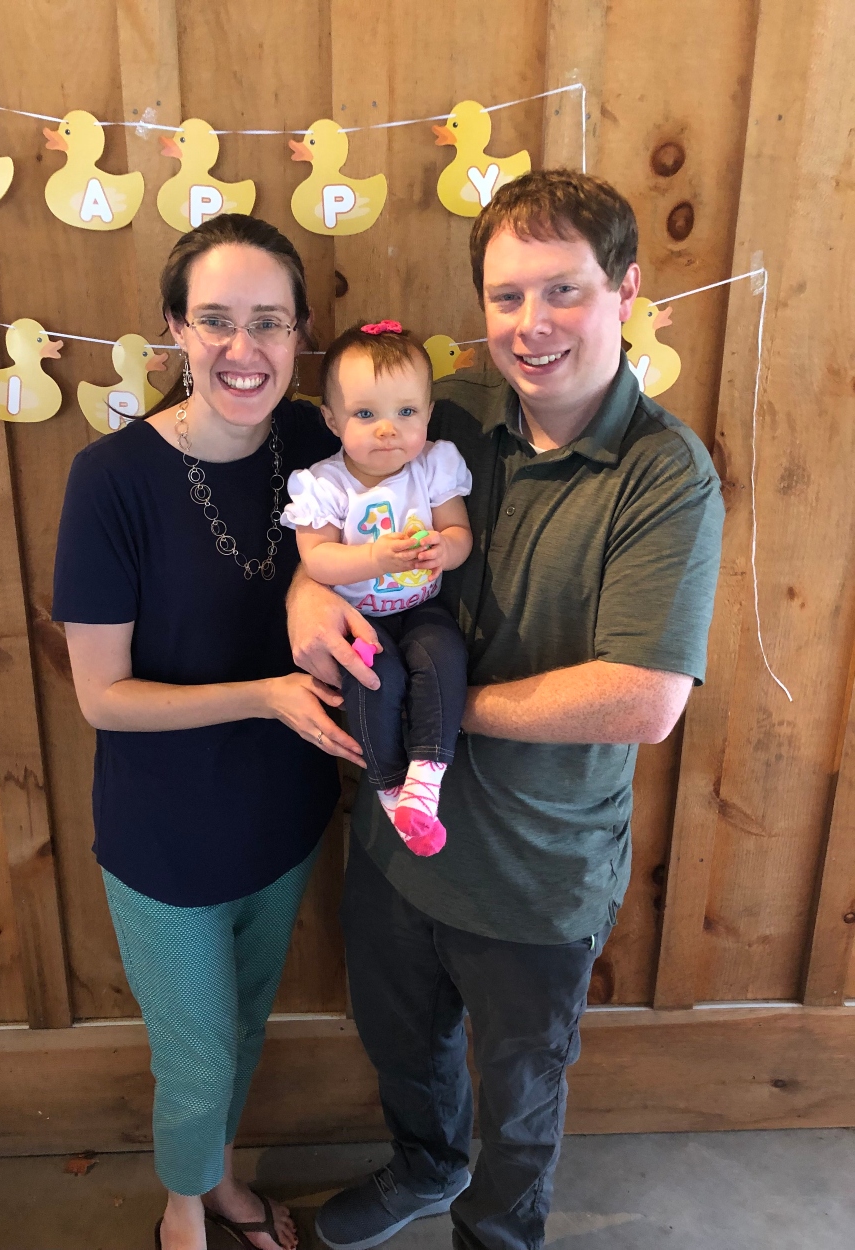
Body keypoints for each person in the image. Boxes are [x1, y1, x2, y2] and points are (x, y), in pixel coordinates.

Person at [287, 170, 725, 1250]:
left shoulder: (664, 475)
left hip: (536, 869)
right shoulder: (450, 412)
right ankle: (425, 1168)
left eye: (563, 290)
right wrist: (305, 590)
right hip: (395, 842)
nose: (532, 325)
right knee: (402, 1044)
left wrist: (434, 713)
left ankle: (495, 1231)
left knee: (520, 1101)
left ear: (625, 290)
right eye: (506, 295)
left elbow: (644, 698)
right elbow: (335, 509)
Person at [53, 214, 370, 1250]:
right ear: (174, 329)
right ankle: (182, 1210)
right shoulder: (112, 478)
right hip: (165, 834)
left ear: (301, 332)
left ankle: (221, 1182)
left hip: (284, 816)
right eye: (216, 320)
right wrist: (267, 693)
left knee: (241, 1025)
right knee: (194, 1054)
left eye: (269, 322)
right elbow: (102, 696)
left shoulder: (317, 440)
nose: (244, 348)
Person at [282, 320, 473, 856]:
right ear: (332, 420)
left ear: (428, 414)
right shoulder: (324, 484)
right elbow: (316, 559)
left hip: (420, 606)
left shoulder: (432, 465)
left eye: (406, 412)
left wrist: (445, 548)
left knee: (443, 657)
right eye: (366, 414)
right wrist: (374, 557)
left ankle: (427, 776)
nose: (388, 430)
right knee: (375, 679)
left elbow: (459, 532)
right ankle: (389, 786)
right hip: (358, 617)